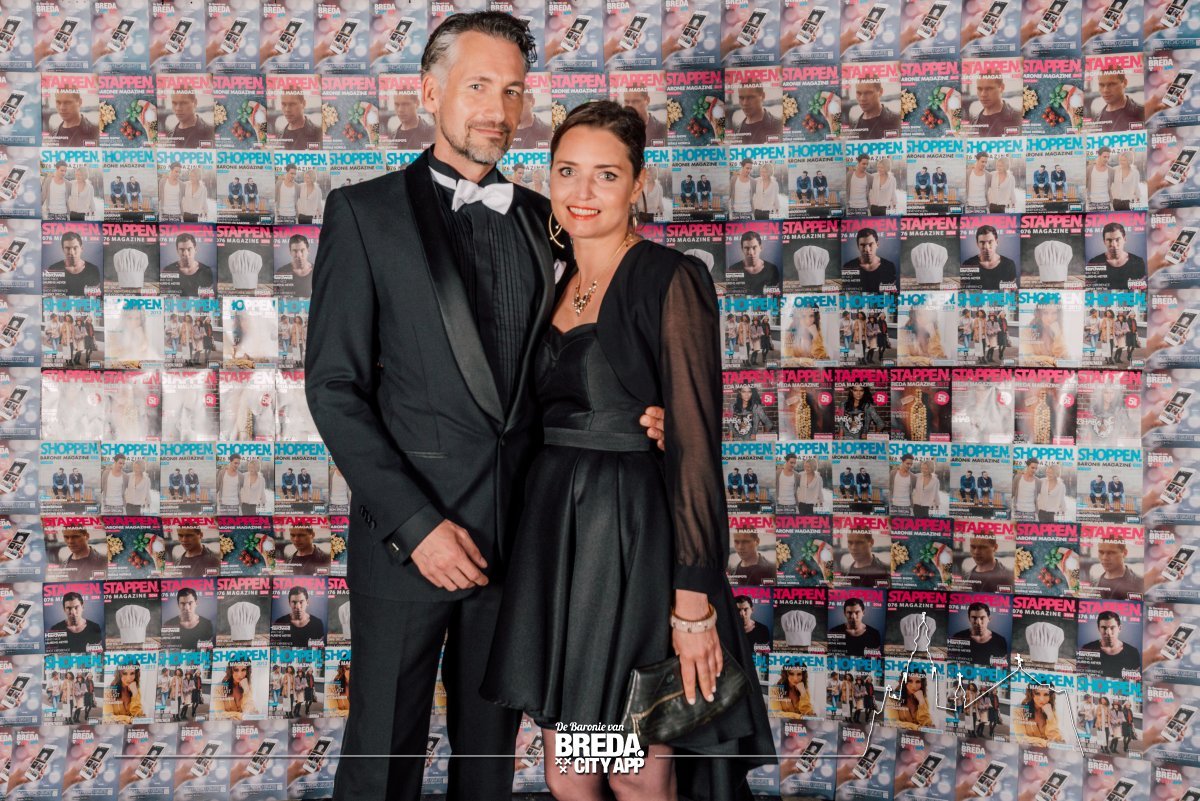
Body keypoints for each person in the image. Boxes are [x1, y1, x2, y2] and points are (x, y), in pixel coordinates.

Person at [304, 14, 669, 801]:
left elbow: (582, 350)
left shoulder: (551, 220)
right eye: (477, 86)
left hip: (523, 542)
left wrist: (642, 411)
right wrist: (416, 526)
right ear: (428, 91)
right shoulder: (364, 214)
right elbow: (333, 387)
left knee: (488, 767)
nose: (497, 109)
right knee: (381, 759)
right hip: (407, 544)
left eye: (512, 90)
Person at [480, 99, 773, 797]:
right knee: (571, 774)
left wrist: (693, 603)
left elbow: (696, 448)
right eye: (567, 171)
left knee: (635, 773)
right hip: (559, 545)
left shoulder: (667, 278)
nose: (583, 191)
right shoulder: (550, 279)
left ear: (638, 183)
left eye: (606, 175)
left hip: (631, 545)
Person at [1079, 611, 1142, 678]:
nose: (1108, 632)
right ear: (1098, 629)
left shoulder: (1132, 652)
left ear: (1119, 628)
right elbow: (1080, 674)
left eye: (1112, 628)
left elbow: (1136, 679)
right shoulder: (1087, 648)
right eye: (1104, 628)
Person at [1086, 221, 1145, 290]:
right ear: (1104, 241)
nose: (1114, 245)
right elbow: (1088, 289)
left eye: (1117, 239)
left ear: (1124, 239)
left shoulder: (1138, 262)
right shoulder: (1094, 262)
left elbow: (1142, 290)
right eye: (1109, 240)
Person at [842, 227, 897, 293]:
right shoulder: (848, 267)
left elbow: (892, 294)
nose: (867, 249)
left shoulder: (889, 266)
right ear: (858, 246)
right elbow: (847, 294)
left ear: (877, 244)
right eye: (863, 245)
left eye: (871, 244)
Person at [47, 231, 101, 296]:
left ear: (81, 248)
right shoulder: (53, 269)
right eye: (67, 248)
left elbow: (95, 298)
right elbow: (50, 297)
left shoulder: (93, 269)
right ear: (63, 249)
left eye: (75, 248)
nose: (71, 252)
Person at [728, 230, 781, 295]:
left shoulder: (772, 269)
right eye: (747, 248)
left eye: (754, 247)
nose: (751, 252)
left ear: (760, 248)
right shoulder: (733, 269)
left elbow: (776, 295)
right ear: (742, 249)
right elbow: (731, 296)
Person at [164, 232, 215, 297]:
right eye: (182, 250)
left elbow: (208, 298)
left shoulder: (206, 270)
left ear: (195, 249)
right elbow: (164, 296)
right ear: (177, 251)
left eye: (189, 249)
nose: (186, 253)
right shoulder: (168, 270)